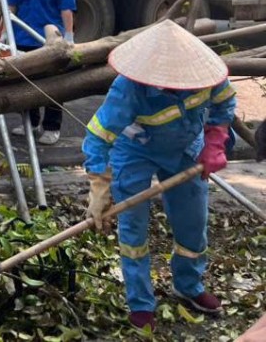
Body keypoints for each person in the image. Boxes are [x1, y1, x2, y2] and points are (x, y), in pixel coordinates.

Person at [83, 19, 236, 332]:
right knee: (133, 226)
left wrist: (215, 142)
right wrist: (99, 188)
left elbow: (224, 103)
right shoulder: (130, 88)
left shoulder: (207, 74)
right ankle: (140, 302)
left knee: (193, 221)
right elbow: (98, 137)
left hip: (186, 149)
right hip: (136, 151)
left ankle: (188, 285)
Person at [9, 0, 76, 145]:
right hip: (23, 37)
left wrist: (69, 36)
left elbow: (66, 8)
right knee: (26, 85)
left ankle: (52, 126)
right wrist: (4, 33)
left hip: (49, 41)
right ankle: (31, 122)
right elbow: (11, 6)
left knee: (53, 85)